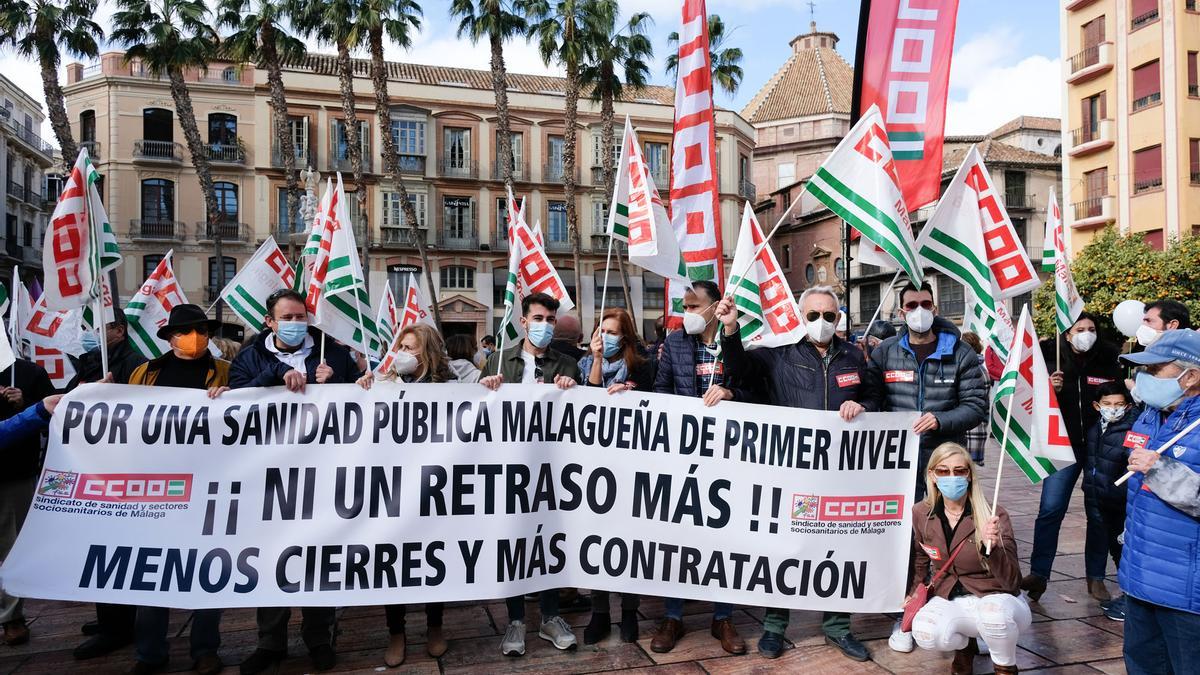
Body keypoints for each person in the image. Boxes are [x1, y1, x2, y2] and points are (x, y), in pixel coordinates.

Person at [715, 286, 876, 662]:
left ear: (839, 319)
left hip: (841, 473)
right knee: (785, 549)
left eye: (830, 315)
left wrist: (862, 403)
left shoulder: (854, 357)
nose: (822, 322)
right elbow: (740, 370)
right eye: (814, 315)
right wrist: (730, 328)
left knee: (839, 549)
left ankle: (838, 626)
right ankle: (774, 627)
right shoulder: (780, 356)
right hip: (791, 474)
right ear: (801, 317)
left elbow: (875, 398)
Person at [226, 289, 361, 674]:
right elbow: (235, 400)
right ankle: (271, 642)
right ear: (269, 321)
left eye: (301, 316)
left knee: (317, 557)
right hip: (269, 476)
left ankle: (319, 636)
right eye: (287, 317)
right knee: (272, 557)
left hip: (322, 471)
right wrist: (273, 376)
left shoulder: (331, 353)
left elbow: (360, 399)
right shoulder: (251, 357)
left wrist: (334, 382)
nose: (295, 323)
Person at [868, 281, 987, 653]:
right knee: (905, 535)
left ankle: (964, 607)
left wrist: (940, 419)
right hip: (898, 462)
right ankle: (907, 609)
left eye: (925, 303)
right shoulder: (885, 352)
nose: (919, 309)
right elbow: (872, 397)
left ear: (935, 307)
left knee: (955, 532)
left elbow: (976, 405)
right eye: (911, 304)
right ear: (901, 311)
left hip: (945, 461)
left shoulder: (962, 354)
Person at [125, 304, 229, 675]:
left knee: (207, 570)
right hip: (156, 488)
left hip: (208, 486)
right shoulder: (145, 373)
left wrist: (233, 399)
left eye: (202, 330)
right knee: (153, 573)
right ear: (170, 338)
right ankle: (149, 654)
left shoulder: (224, 372)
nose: (196, 337)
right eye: (186, 331)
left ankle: (206, 649)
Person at [650, 280, 749, 656]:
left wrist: (730, 393)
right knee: (679, 538)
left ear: (714, 308)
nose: (687, 312)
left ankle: (722, 616)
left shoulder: (736, 338)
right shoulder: (674, 342)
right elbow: (660, 388)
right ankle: (673, 615)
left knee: (724, 537)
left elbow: (754, 387)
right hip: (682, 455)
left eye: (694, 306)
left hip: (728, 457)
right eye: (685, 306)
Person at [480, 293, 580, 656]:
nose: (545, 326)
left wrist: (572, 392)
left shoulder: (567, 364)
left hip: (551, 468)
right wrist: (486, 388)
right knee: (514, 541)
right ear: (523, 321)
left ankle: (551, 616)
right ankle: (516, 619)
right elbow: (479, 413)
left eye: (551, 320)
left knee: (548, 540)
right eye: (538, 318)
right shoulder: (496, 360)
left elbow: (578, 418)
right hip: (507, 466)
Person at [357, 324, 455, 666]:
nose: (403, 354)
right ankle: (395, 632)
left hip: (433, 488)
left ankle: (434, 628)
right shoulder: (383, 384)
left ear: (426, 353)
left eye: (411, 349)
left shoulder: (449, 387)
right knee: (392, 562)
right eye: (401, 346)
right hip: (393, 490)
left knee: (432, 558)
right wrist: (360, 390)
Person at [1115, 329, 1200, 675]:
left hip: (1186, 593)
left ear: (1191, 375)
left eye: (1154, 370)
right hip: (1139, 578)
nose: (1143, 378)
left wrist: (1161, 469)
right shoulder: (1154, 412)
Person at [1021, 313, 1122, 602]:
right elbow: (1028, 398)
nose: (1086, 334)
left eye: (1091, 329)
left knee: (1098, 512)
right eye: (1080, 329)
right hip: (1062, 445)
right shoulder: (1048, 356)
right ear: (1067, 334)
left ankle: (1096, 577)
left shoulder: (1109, 357)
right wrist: (1048, 390)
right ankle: (1039, 574)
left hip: (1098, 445)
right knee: (1051, 509)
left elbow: (1118, 398)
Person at [68, 308, 148, 661]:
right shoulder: (91, 359)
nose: (90, 334)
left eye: (96, 327)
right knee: (98, 543)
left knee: (117, 546)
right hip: (93, 464)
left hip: (122, 467)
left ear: (117, 330)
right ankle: (109, 618)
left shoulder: (133, 363)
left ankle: (120, 625)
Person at [908, 442, 1027, 675]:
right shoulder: (921, 512)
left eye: (959, 470)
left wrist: (989, 547)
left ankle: (1005, 667)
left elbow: (1012, 581)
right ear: (932, 476)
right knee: (924, 632)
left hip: (995, 597)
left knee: (993, 616)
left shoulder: (993, 514)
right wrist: (915, 591)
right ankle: (965, 648)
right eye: (943, 471)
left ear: (970, 475)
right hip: (951, 596)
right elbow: (922, 556)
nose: (952, 477)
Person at [578, 308, 655, 645]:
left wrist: (631, 389)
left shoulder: (642, 364)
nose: (606, 336)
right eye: (601, 329)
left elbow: (655, 397)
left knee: (628, 542)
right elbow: (589, 399)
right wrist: (595, 360)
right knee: (595, 542)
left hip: (630, 466)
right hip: (594, 466)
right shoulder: (584, 364)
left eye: (612, 331)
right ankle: (599, 614)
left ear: (625, 336)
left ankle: (628, 613)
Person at [0, 358, 54, 647]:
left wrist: (26, 402)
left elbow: (53, 418)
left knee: (11, 548)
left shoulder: (28, 372)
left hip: (14, 473)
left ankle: (12, 618)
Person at [1081, 381, 1137, 622]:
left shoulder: (1131, 431)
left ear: (1127, 406)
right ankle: (1115, 587)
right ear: (1097, 406)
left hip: (1119, 502)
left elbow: (1133, 462)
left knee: (1124, 548)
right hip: (1096, 496)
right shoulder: (1095, 429)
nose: (1112, 409)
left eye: (1118, 404)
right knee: (1106, 542)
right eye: (1107, 404)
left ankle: (1130, 595)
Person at [68, 307, 148, 388]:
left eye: (98, 329)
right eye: (85, 328)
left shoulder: (139, 367)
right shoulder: (89, 362)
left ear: (119, 331)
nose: (89, 333)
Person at [959, 332, 990, 467]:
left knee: (965, 471)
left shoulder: (974, 369)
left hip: (971, 429)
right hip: (976, 428)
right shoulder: (980, 368)